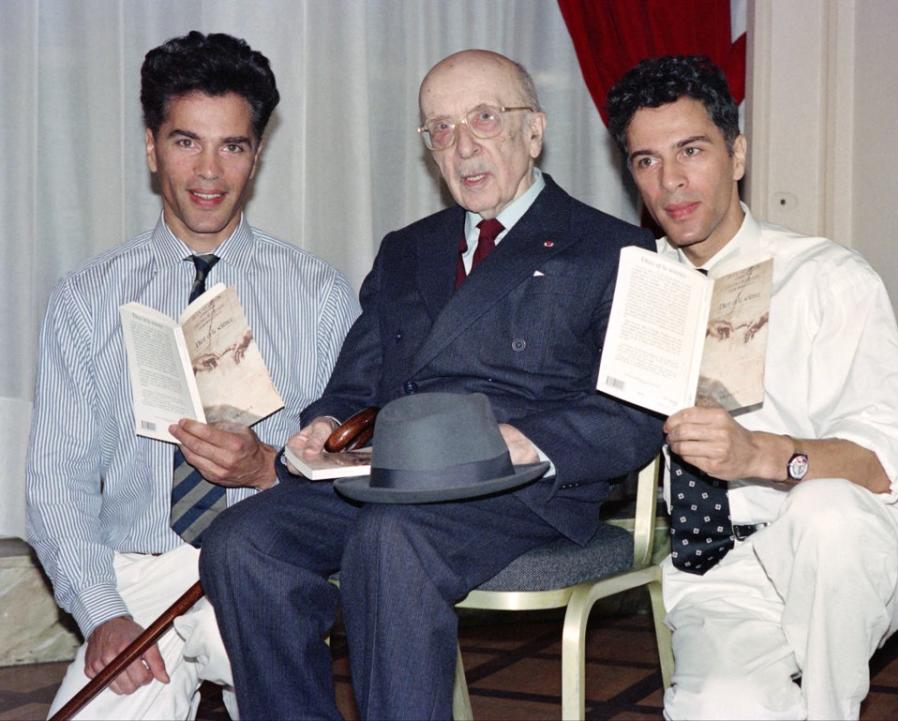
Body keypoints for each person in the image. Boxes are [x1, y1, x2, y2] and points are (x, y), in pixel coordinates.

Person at [199, 48, 663, 720]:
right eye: (440, 129)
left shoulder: (611, 247)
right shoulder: (408, 247)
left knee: (392, 538)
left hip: (522, 486)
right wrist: (326, 424)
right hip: (394, 473)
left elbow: (635, 415)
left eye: (483, 118)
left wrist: (528, 440)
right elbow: (354, 380)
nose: (462, 145)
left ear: (533, 131)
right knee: (241, 542)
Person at [26, 31, 358, 720]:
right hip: (137, 576)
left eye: (232, 146)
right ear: (151, 147)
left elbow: (354, 470)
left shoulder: (320, 293)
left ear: (257, 155)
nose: (209, 171)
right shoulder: (87, 296)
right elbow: (57, 480)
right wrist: (101, 612)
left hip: (265, 564)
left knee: (268, 664)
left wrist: (270, 467)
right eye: (186, 142)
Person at [606, 55, 898, 720]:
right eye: (646, 160)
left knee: (824, 513)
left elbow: (885, 462)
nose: (670, 180)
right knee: (719, 706)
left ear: (737, 154)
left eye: (691, 150)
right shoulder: (637, 295)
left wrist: (760, 454)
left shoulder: (827, 278)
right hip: (722, 566)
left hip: (854, 541)